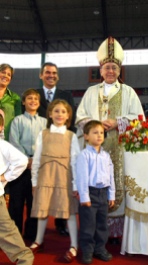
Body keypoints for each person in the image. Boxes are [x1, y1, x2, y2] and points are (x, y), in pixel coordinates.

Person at [75, 36, 144, 242]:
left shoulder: (128, 92)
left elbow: (140, 120)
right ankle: (94, 231)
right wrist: (96, 124)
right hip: (95, 151)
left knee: (118, 184)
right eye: (107, 68)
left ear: (119, 70)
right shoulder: (90, 92)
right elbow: (80, 118)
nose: (111, 71)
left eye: (114, 67)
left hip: (120, 149)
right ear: (101, 70)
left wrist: (118, 122)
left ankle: (116, 233)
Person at [29, 99, 80, 263]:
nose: (60, 114)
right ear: (50, 114)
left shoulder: (71, 136)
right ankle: (39, 241)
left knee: (69, 211)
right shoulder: (42, 134)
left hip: (64, 178)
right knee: (42, 209)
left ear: (68, 116)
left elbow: (76, 161)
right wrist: (34, 181)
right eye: (56, 111)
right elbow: (36, 159)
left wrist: (76, 184)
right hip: (45, 176)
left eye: (63, 112)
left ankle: (74, 245)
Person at [37, 62, 76, 235]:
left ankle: (61, 225)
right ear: (41, 75)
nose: (51, 75)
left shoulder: (65, 95)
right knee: (41, 188)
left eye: (54, 73)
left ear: (57, 76)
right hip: (41, 145)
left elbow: (72, 120)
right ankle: (35, 230)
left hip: (61, 146)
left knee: (61, 186)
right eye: (47, 72)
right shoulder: (33, 95)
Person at [8, 88, 47, 242]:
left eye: (35, 99)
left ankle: (31, 236)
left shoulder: (44, 122)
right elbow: (14, 141)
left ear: (38, 103)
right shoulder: (17, 121)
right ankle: (14, 235)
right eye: (29, 98)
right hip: (19, 166)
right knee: (16, 203)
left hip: (37, 167)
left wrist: (35, 160)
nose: (32, 101)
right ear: (23, 102)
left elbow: (45, 143)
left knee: (34, 203)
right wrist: (26, 160)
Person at [76, 120, 115, 264]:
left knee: (102, 225)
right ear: (86, 136)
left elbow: (111, 177)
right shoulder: (84, 155)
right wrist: (84, 197)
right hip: (90, 195)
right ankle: (87, 250)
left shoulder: (106, 156)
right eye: (95, 132)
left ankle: (100, 249)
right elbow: (82, 178)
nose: (99, 136)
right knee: (88, 225)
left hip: (103, 194)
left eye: (101, 133)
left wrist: (111, 194)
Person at [0, 133, 34, 265]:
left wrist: (6, 177)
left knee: (6, 230)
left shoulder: (2, 145)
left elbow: (22, 161)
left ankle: (24, 258)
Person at [0, 63, 22, 141]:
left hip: (8, 140)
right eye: (3, 72)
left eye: (9, 75)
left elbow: (18, 122)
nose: (6, 76)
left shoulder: (16, 98)